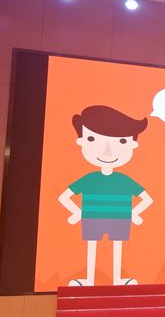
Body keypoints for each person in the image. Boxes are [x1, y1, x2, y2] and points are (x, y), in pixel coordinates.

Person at [58, 105, 153, 286]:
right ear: (82, 141)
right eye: (92, 139)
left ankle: (118, 279)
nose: (107, 151)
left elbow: (147, 199)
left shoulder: (124, 180)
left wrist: (134, 213)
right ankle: (89, 280)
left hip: (120, 218)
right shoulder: (89, 178)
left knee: (117, 248)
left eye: (122, 141)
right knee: (92, 247)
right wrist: (77, 212)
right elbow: (64, 196)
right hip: (92, 217)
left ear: (132, 145)